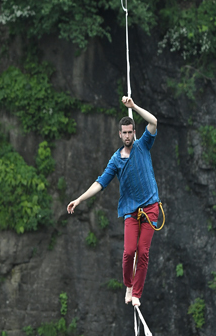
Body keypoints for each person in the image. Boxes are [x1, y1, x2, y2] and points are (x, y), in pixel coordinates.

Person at [67, 96, 160, 307]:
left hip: (150, 208)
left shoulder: (143, 145)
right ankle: (129, 284)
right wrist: (79, 199)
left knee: (143, 252)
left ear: (134, 133)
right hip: (131, 210)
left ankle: (137, 293)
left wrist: (133, 106)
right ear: (120, 135)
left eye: (130, 132)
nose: (127, 136)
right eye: (124, 133)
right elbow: (100, 183)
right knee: (129, 253)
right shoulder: (116, 160)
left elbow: (153, 122)